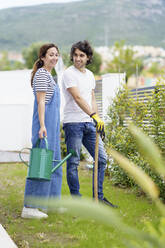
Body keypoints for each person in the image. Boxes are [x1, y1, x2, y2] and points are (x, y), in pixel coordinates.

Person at [62, 40, 118, 207]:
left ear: (88, 57)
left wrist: (98, 120)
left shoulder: (90, 75)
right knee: (73, 162)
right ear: (72, 56)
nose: (78, 58)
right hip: (73, 123)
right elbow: (77, 97)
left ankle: (98, 198)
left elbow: (92, 98)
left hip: (89, 123)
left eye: (82, 55)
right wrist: (93, 115)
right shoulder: (68, 74)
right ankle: (76, 200)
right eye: (76, 55)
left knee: (101, 159)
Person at [21, 43, 63, 219]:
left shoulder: (50, 76)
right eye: (50, 54)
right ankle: (30, 207)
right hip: (43, 125)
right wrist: (43, 126)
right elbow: (41, 102)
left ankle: (51, 204)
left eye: (56, 54)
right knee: (41, 164)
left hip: (51, 125)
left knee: (53, 163)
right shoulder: (41, 74)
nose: (54, 57)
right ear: (43, 57)